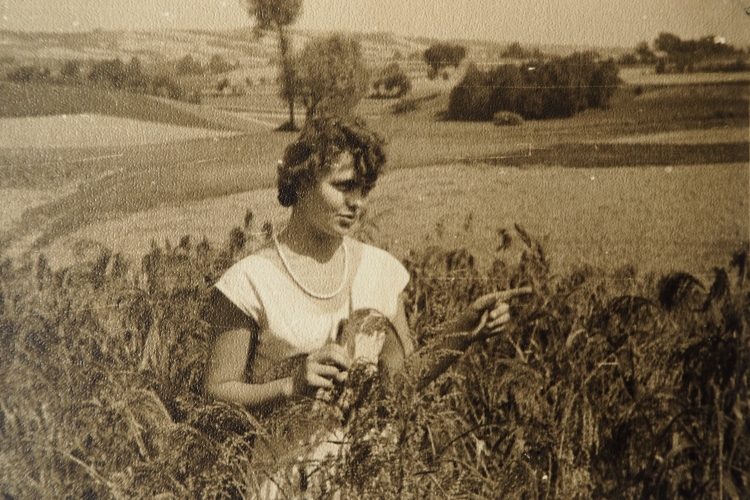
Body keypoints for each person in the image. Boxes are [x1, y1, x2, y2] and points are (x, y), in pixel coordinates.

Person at [204, 115, 528, 412]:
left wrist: (466, 329)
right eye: (344, 185)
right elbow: (216, 391)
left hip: (370, 467)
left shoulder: (381, 270)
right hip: (285, 471)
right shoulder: (248, 282)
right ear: (301, 181)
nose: (357, 202)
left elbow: (400, 381)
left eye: (365, 188)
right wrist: (289, 386)